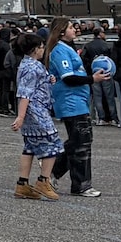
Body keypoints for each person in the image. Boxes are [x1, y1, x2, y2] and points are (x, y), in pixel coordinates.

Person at [11, 30, 64, 200]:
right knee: (52, 144)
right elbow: (25, 93)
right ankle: (43, 180)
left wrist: (48, 80)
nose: (43, 50)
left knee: (30, 146)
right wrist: (20, 116)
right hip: (36, 111)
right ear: (35, 49)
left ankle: (22, 183)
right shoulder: (32, 68)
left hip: (33, 110)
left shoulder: (27, 64)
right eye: (41, 47)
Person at [47, 24, 98, 198]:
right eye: (70, 27)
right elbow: (67, 77)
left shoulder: (68, 48)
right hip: (70, 102)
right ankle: (81, 185)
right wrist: (92, 79)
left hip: (79, 101)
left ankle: (51, 171)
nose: (74, 30)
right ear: (61, 31)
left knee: (79, 141)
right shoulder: (59, 50)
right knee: (80, 143)